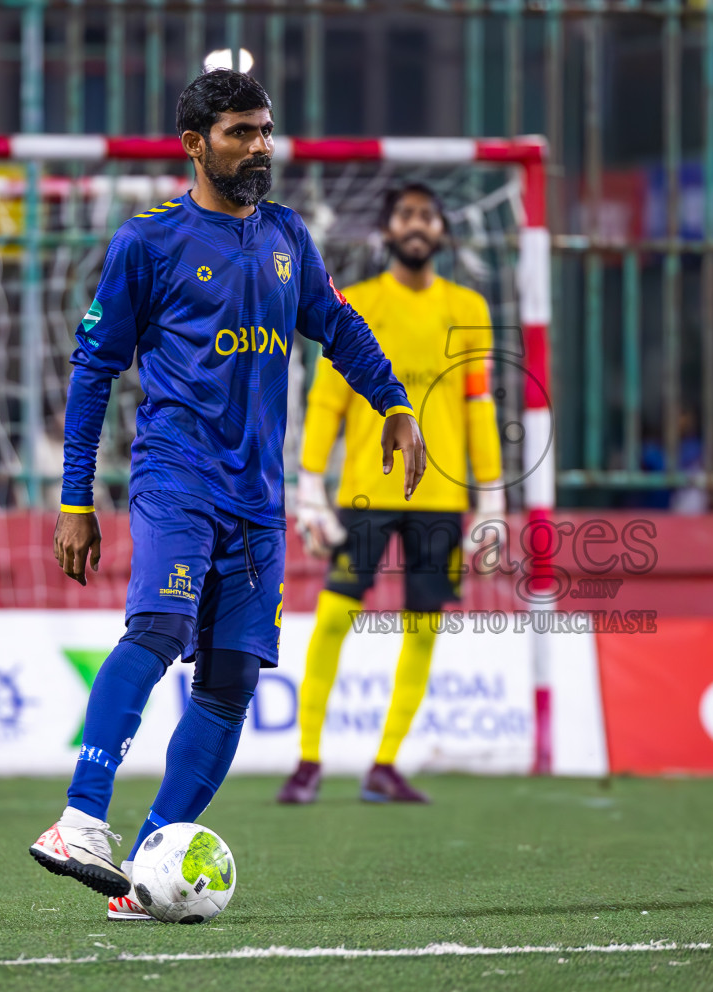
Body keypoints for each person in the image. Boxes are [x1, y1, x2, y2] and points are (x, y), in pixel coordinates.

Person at [28, 69, 426, 921]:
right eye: (241, 132)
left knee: (233, 679)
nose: (259, 146)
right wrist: (74, 498)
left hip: (256, 501)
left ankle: (146, 870)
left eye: (266, 130)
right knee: (161, 629)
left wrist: (392, 402)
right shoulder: (149, 242)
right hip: (176, 479)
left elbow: (339, 326)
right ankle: (79, 819)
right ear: (194, 144)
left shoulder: (287, 236)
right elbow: (95, 367)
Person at [277, 183, 505, 805]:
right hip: (365, 493)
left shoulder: (469, 307)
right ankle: (307, 761)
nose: (416, 225)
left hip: (441, 497)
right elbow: (326, 400)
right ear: (386, 230)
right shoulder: (356, 303)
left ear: (441, 231)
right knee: (333, 616)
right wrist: (312, 488)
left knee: (424, 627)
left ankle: (384, 765)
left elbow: (479, 406)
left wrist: (491, 501)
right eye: (405, 215)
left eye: (427, 216)